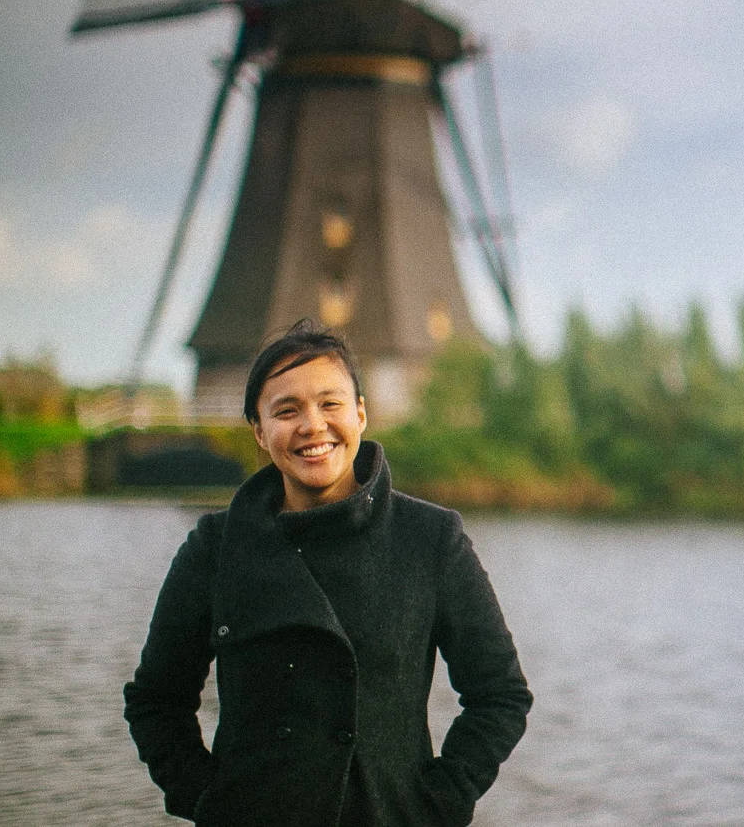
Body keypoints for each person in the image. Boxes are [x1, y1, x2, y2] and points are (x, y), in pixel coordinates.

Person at [124, 321, 531, 827]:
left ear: (361, 413)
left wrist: (434, 806)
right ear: (258, 430)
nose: (312, 425)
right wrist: (210, 801)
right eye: (286, 410)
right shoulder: (215, 548)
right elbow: (156, 701)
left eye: (330, 403)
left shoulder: (431, 540)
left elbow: (500, 695)